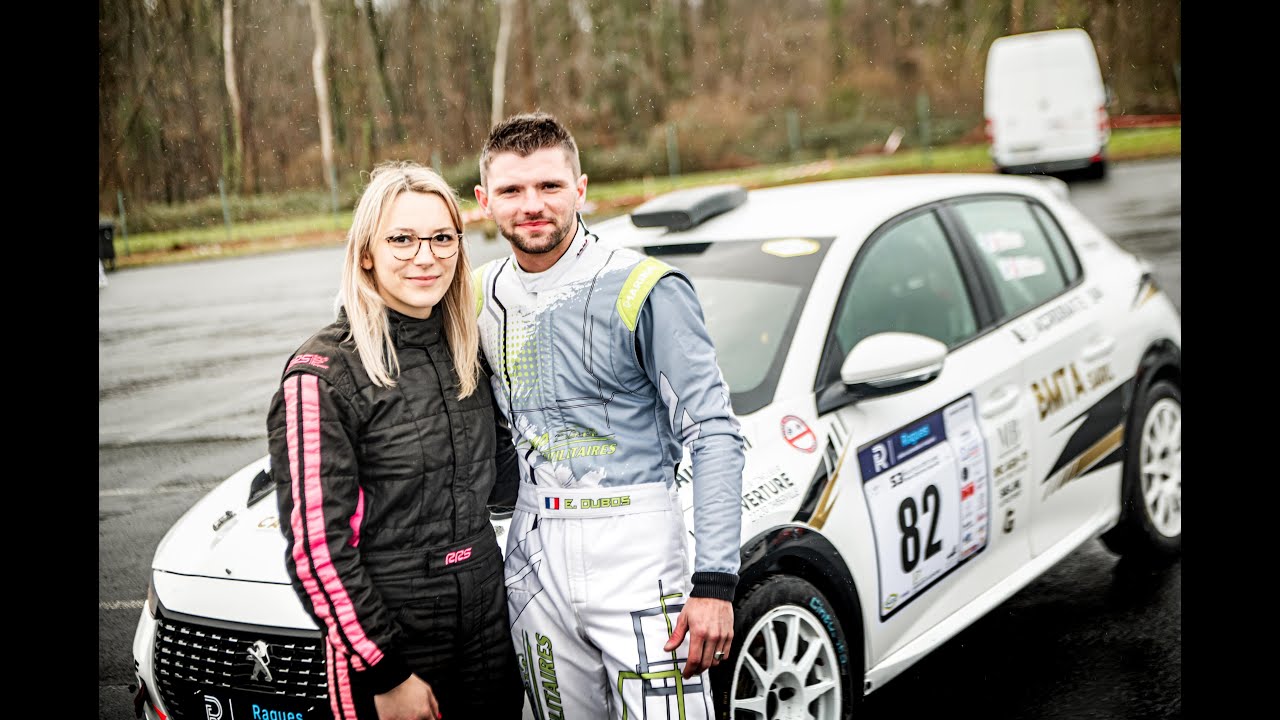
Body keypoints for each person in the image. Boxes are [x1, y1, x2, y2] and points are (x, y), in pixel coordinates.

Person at [473, 112, 746, 718]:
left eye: (549, 185)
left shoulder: (644, 285)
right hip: (534, 552)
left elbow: (715, 432)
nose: (531, 205)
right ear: (484, 199)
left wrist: (716, 582)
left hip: (639, 550)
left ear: (581, 188)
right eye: (513, 190)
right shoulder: (474, 294)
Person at [267, 161, 524, 720]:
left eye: (440, 238)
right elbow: (317, 551)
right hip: (393, 639)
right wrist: (383, 671)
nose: (425, 256)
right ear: (367, 252)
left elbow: (503, 488)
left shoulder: (468, 352)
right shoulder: (323, 372)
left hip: (486, 624)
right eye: (402, 239)